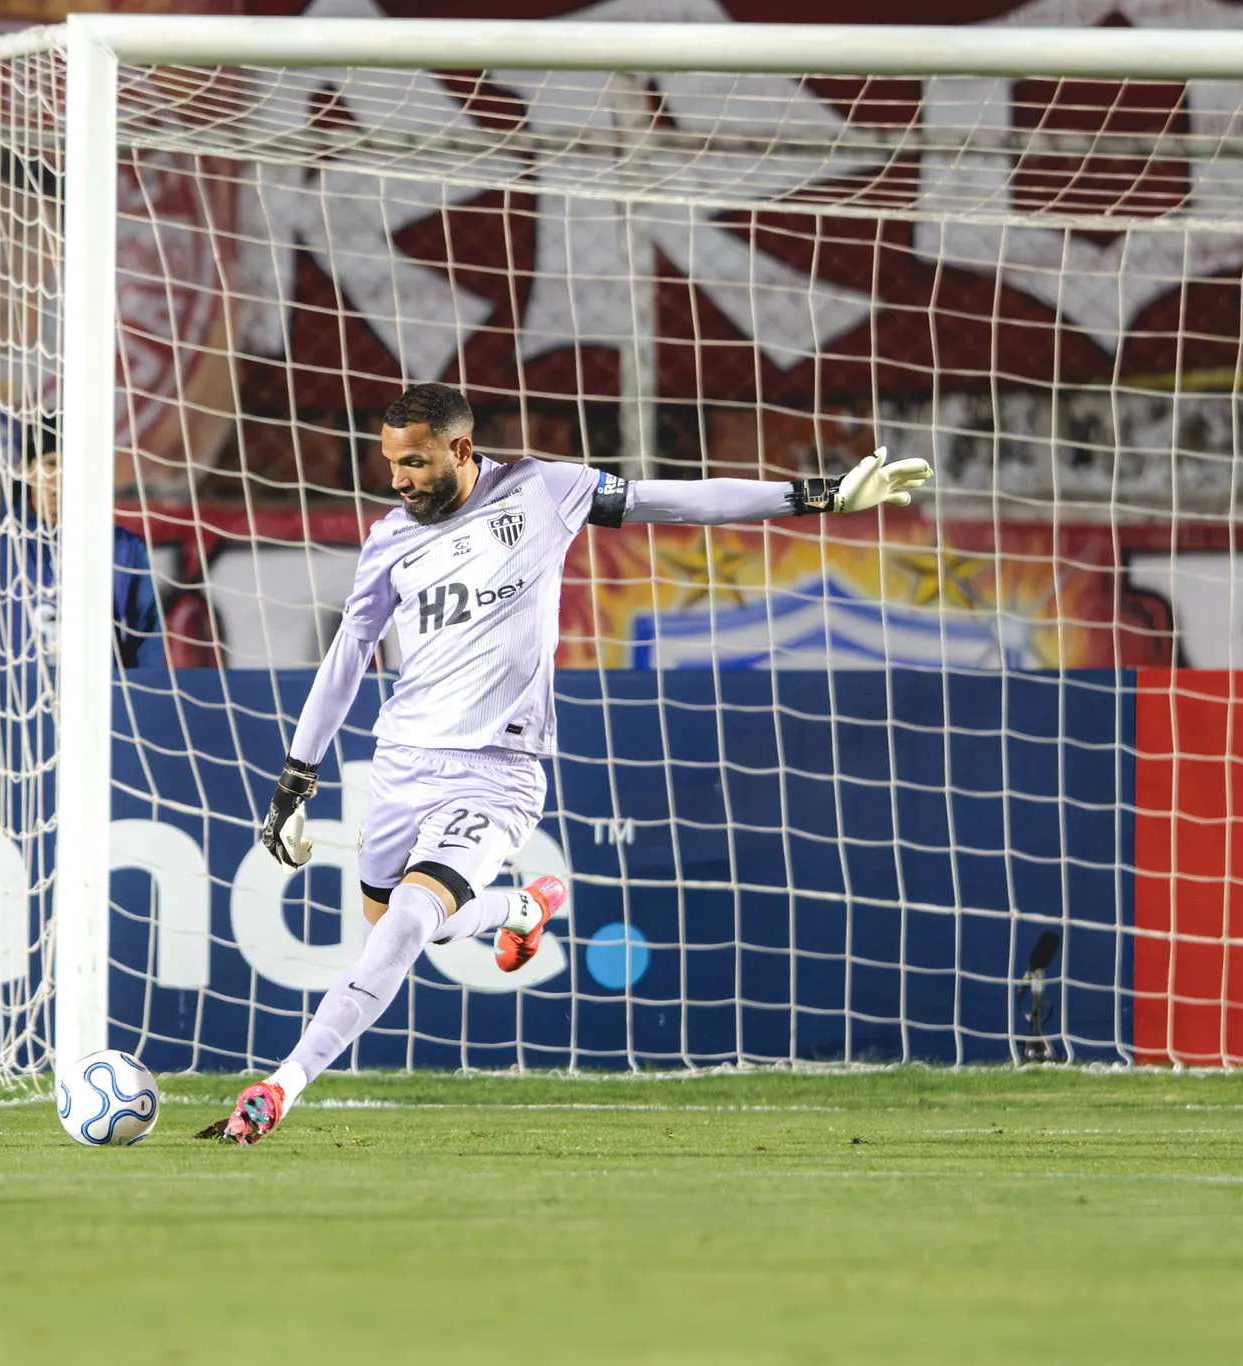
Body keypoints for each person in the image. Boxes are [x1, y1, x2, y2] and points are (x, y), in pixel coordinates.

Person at [205, 382, 931, 1145]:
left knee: (411, 922)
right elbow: (347, 656)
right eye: (391, 464)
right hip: (401, 763)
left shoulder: (543, 489)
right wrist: (296, 779)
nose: (400, 479)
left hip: (497, 769)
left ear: (460, 449)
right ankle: (522, 910)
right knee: (403, 924)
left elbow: (676, 501)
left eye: (415, 462)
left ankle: (279, 1086)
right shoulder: (390, 536)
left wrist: (814, 496)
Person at [0, 427, 164, 669]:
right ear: (27, 470)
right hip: (7, 703)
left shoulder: (122, 548)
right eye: (51, 464)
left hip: (94, 704)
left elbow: (147, 643)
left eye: (74, 463)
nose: (62, 477)